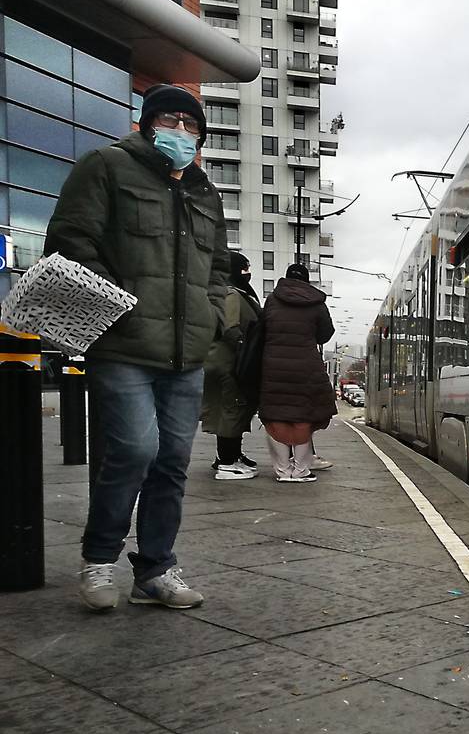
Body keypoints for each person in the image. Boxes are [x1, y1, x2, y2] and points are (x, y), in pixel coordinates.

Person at [45, 84, 227, 611]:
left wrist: (211, 314)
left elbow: (217, 264)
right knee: (132, 451)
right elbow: (71, 240)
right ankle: (98, 561)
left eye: (193, 126)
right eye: (173, 121)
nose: (183, 133)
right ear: (146, 123)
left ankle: (156, 569)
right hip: (123, 345)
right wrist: (116, 302)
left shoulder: (203, 191)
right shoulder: (105, 166)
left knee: (172, 460)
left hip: (186, 351)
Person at [259, 263, 335, 481]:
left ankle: (282, 471)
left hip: (273, 366)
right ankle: (301, 471)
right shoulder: (317, 303)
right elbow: (325, 334)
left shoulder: (272, 300)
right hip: (306, 367)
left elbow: (262, 329)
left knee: (276, 415)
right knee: (304, 416)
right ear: (306, 280)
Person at [201, 251, 262, 479]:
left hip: (227, 360)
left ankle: (231, 455)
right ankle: (227, 462)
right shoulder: (232, 293)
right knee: (231, 408)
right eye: (244, 268)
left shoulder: (235, 292)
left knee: (233, 407)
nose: (248, 273)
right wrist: (246, 349)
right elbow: (230, 328)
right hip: (228, 361)